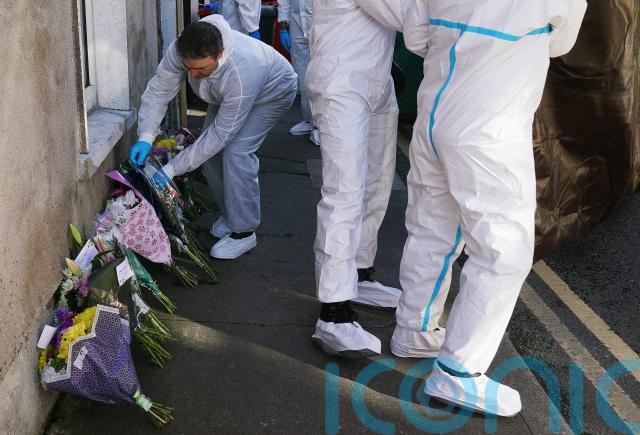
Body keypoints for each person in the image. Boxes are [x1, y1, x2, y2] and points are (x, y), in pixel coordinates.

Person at [396, 0, 587, 416]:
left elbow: (415, 37)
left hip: (435, 111)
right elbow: (561, 43)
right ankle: (458, 371)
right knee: (504, 251)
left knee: (431, 228)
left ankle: (414, 329)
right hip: (489, 127)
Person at [129, 15, 297, 260]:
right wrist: (145, 135)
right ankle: (231, 216)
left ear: (220, 54)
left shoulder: (242, 70)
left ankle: (244, 231)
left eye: (200, 69)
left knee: (237, 151)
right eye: (189, 68)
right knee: (210, 155)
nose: (193, 75)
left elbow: (221, 135)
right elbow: (160, 89)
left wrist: (173, 168)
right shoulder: (180, 48)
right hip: (225, 95)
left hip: (273, 92)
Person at [305, 0, 409, 358]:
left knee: (377, 186)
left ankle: (360, 275)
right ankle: (333, 312)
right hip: (343, 80)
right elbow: (406, 16)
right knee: (344, 193)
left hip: (377, 77)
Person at [277, 0, 319, 146]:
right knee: (302, 76)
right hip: (297, 27)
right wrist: (283, 27)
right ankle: (309, 120)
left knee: (319, 77)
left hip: (321, 29)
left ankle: (321, 125)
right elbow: (284, 2)